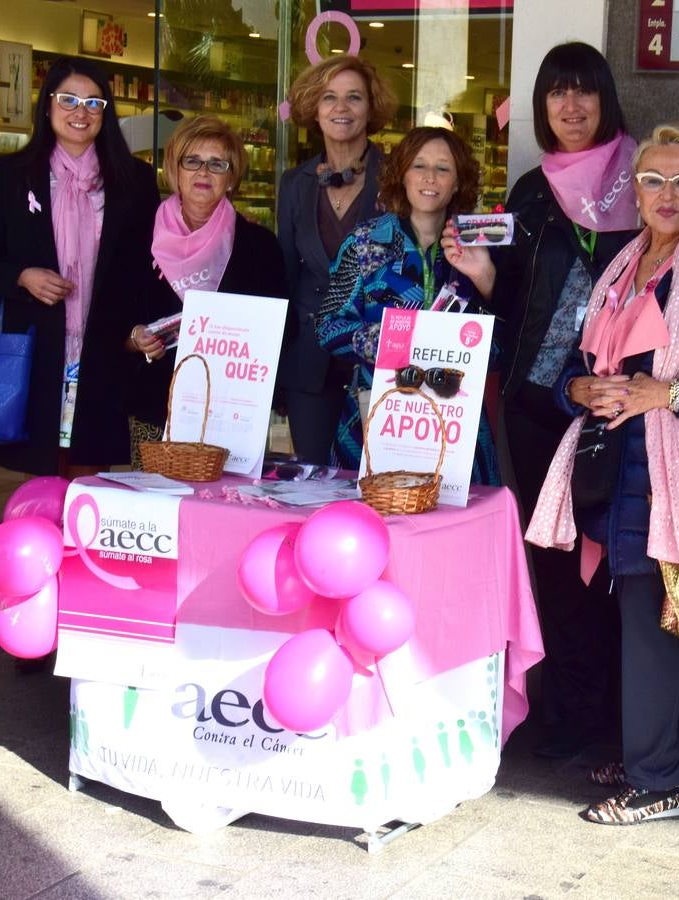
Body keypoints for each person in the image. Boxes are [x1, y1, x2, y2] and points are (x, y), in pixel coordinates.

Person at [524, 123, 679, 824]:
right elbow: (563, 361)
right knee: (628, 610)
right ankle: (649, 752)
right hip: (607, 463)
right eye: (652, 179)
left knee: (652, 618)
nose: (665, 193)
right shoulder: (620, 262)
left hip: (667, 468)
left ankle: (660, 782)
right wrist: (579, 392)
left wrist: (671, 393)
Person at [491, 41, 641, 759]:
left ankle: (617, 721)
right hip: (537, 405)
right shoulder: (531, 190)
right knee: (551, 563)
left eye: (584, 92)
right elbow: (514, 300)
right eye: (556, 93)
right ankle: (567, 715)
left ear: (605, 98)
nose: (571, 107)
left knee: (609, 567)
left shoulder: (642, 179)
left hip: (613, 407)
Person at [0, 57, 160, 477]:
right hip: (37, 353)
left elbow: (147, 269)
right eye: (69, 99)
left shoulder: (134, 181)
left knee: (91, 477)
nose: (80, 111)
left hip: (103, 353)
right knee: (44, 480)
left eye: (93, 103)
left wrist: (138, 330)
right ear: (47, 105)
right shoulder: (13, 174)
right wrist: (22, 277)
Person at [315, 126, 499, 484]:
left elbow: (501, 349)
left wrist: (486, 279)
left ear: (458, 182)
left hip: (455, 417)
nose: (430, 178)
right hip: (379, 410)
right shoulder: (366, 242)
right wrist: (394, 343)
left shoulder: (477, 247)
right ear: (402, 173)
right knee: (373, 524)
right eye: (419, 166)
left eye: (443, 168)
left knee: (452, 530)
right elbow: (328, 327)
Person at [127, 115, 288, 465]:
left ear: (231, 178)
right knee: (157, 509)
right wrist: (135, 337)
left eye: (217, 164)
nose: (203, 172)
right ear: (175, 171)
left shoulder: (258, 244)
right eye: (192, 161)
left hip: (232, 413)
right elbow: (116, 317)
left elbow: (279, 331)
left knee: (223, 510)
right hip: (158, 406)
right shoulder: (140, 238)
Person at [277, 56, 397, 464]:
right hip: (308, 364)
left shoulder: (397, 177)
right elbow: (286, 276)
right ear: (314, 107)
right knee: (312, 482)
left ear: (371, 107)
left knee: (380, 484)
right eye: (329, 97)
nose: (340, 108)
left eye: (353, 97)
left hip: (379, 360)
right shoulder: (294, 184)